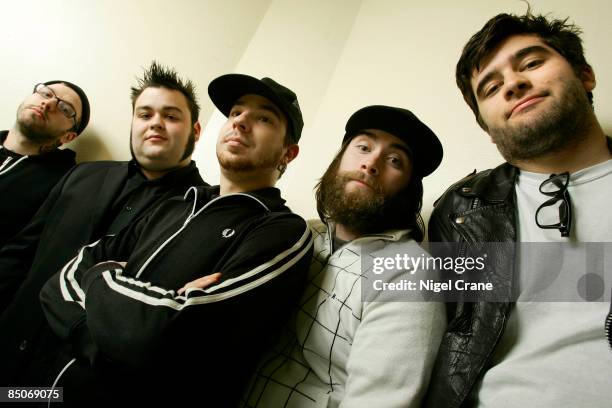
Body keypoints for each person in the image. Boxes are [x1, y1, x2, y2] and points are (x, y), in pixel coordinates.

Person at [38, 73, 313, 405]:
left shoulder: (284, 231)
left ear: (289, 153)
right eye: (236, 113)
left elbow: (167, 337)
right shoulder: (175, 204)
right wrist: (97, 330)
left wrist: (102, 275)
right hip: (49, 390)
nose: (240, 123)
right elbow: (60, 282)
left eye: (264, 117)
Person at [426, 11, 612, 407]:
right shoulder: (460, 212)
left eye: (531, 63)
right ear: (487, 128)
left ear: (585, 75)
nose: (513, 83)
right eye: (490, 88)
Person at [0, 61, 206, 385]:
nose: (155, 123)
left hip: (75, 383)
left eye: (171, 115)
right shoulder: (82, 174)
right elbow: (20, 253)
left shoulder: (197, 211)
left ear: (195, 130)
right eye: (145, 114)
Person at [242, 105, 446, 407]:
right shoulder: (298, 235)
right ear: (338, 161)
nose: (371, 163)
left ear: (407, 189)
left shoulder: (408, 272)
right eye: (363, 147)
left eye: (394, 160)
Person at [1, 80, 90, 246]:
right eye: (46, 93)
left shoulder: (62, 186)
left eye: (65, 109)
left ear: (68, 137)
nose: (48, 103)